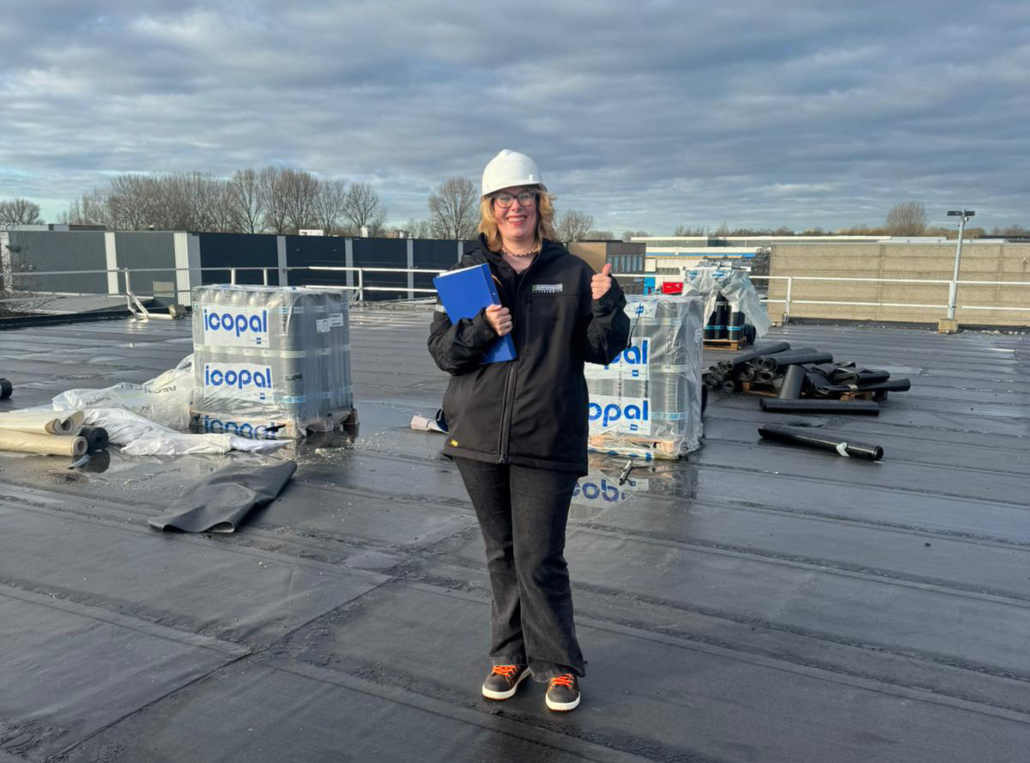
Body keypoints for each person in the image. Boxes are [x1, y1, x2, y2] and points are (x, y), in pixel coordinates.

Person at [427, 149, 630, 712]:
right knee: (502, 553)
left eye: (524, 196)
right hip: (478, 435)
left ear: (540, 204)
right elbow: (444, 354)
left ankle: (558, 665)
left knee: (540, 557)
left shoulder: (573, 272)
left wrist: (608, 305)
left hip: (547, 431)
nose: (514, 207)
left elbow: (602, 349)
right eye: (503, 199)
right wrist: (479, 329)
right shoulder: (468, 275)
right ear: (490, 209)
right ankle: (509, 656)